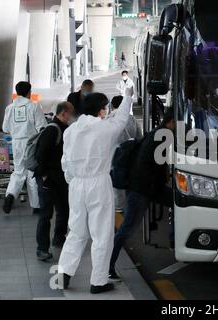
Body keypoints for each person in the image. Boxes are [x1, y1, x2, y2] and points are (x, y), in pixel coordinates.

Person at [58, 93, 132, 294]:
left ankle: (64, 273)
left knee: (76, 231)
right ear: (101, 109)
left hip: (76, 184)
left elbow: (65, 161)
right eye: (106, 107)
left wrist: (72, 181)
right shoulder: (104, 128)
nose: (107, 111)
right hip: (98, 183)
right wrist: (128, 97)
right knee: (102, 234)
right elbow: (122, 118)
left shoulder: (70, 131)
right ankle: (98, 282)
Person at [108, 109, 175, 281]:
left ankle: (174, 238)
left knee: (179, 202)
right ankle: (108, 266)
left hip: (148, 188)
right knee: (127, 229)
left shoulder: (157, 134)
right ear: (171, 121)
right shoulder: (160, 136)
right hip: (141, 190)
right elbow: (152, 167)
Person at [33, 102, 76, 261]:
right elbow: (40, 155)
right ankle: (42, 249)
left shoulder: (65, 128)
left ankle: (59, 238)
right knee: (46, 214)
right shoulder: (53, 129)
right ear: (64, 113)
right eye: (71, 113)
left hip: (60, 178)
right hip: (48, 179)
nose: (72, 117)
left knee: (64, 209)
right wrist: (44, 177)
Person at [2, 81, 47, 214]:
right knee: (31, 173)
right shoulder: (33, 106)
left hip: (16, 144)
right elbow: (41, 126)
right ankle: (36, 205)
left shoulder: (10, 108)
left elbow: (5, 128)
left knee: (18, 171)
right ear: (29, 93)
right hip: (31, 144)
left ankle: (10, 194)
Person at [108, 96, 143, 213]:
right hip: (131, 157)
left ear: (112, 106)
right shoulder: (132, 119)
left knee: (117, 187)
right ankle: (129, 208)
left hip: (114, 158)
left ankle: (119, 212)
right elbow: (139, 137)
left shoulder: (109, 119)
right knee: (129, 184)